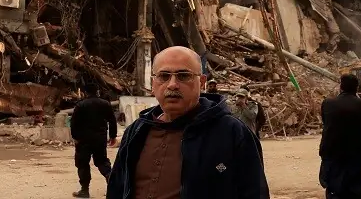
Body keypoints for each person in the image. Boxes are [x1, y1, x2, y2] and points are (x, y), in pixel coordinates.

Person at [107, 46, 269, 199]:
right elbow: (117, 188)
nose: (172, 85)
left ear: (202, 82)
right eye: (164, 76)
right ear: (153, 83)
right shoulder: (137, 130)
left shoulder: (231, 132)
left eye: (184, 76)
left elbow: (255, 192)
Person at [319, 74, 361, 199]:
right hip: (357, 153)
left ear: (341, 87)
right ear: (357, 88)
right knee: (356, 190)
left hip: (332, 152)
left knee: (334, 189)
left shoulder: (328, 103)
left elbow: (326, 122)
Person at [70, 83, 118, 198]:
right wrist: (113, 136)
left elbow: (74, 123)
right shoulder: (105, 104)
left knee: (82, 163)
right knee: (102, 161)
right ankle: (112, 184)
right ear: (97, 92)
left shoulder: (80, 105)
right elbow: (112, 120)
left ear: (85, 92)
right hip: (100, 138)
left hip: (83, 139)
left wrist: (75, 137)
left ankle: (84, 190)